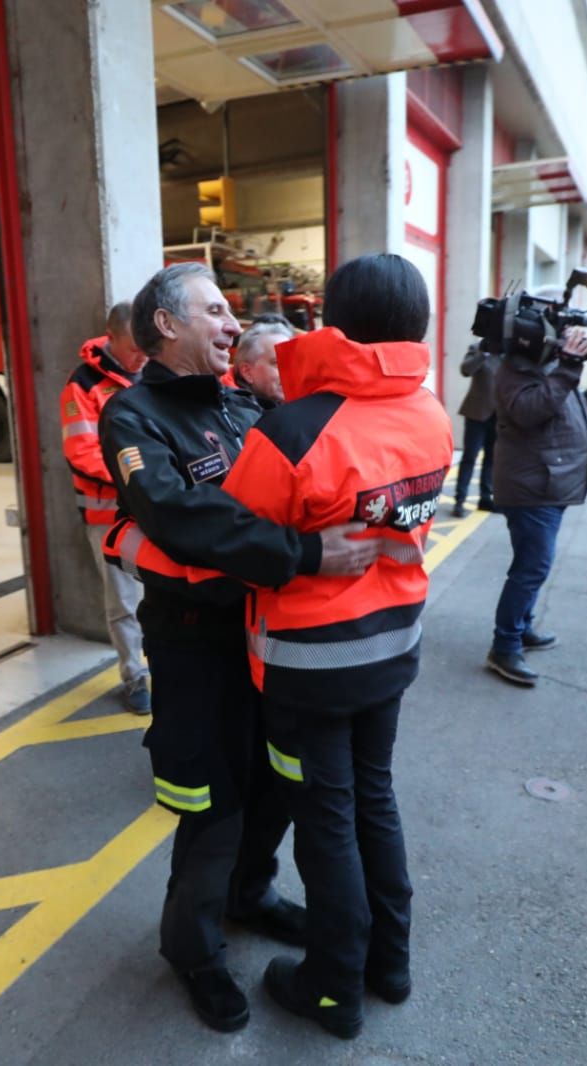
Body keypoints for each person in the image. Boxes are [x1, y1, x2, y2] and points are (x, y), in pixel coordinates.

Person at [97, 262, 379, 1034]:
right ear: (167, 325)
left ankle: (249, 895)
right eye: (216, 311)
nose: (233, 325)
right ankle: (192, 949)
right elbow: (176, 512)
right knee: (212, 804)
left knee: (273, 788)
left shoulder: (239, 405)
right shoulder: (135, 417)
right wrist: (305, 554)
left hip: (267, 640)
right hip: (196, 649)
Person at [210, 254, 452, 1039]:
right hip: (393, 646)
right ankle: (389, 962)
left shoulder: (294, 428)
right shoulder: (430, 413)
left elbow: (235, 536)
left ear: (335, 321)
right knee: (374, 799)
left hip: (307, 663)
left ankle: (331, 987)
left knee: (325, 815)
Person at [484, 317, 587, 687]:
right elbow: (529, 411)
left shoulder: (546, 364)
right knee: (530, 568)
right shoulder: (515, 368)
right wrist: (571, 366)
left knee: (535, 565)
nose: (566, 340)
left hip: (547, 482)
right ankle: (504, 646)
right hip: (531, 488)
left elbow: (555, 411)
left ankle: (521, 627)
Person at [59, 302, 151, 711]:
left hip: (157, 508)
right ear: (110, 338)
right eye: (134, 349)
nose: (142, 357)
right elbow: (81, 452)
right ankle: (136, 677)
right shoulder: (82, 385)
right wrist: (142, 479)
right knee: (125, 603)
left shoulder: (154, 370)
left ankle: (167, 670)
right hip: (109, 514)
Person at [452, 340, 500, 515]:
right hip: (477, 413)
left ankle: (485, 498)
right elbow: (465, 370)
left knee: (491, 459)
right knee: (469, 457)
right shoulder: (478, 347)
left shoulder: (509, 349)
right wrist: (483, 353)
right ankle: (460, 500)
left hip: (499, 416)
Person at [229, 317, 292, 408]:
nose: (291, 371)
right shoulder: (234, 415)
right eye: (278, 363)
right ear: (247, 372)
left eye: (293, 362)